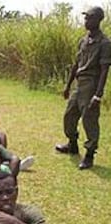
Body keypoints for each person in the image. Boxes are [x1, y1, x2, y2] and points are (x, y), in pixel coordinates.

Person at [55, 6, 111, 170]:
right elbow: (76, 64)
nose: (86, 21)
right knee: (69, 115)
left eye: (90, 18)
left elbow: (104, 70)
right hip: (79, 84)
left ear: (99, 20)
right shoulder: (83, 40)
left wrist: (98, 94)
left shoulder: (105, 43)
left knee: (90, 120)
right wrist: (68, 85)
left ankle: (89, 155)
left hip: (91, 84)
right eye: (86, 18)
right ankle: (72, 144)